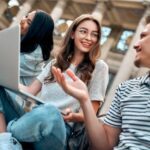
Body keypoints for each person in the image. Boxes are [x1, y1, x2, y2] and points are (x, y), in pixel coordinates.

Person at [0, 14, 109, 150]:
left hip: (60, 131)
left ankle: (6, 134)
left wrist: (72, 116)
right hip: (33, 120)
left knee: (51, 111)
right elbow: (29, 91)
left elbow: (90, 114)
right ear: (73, 34)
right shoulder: (54, 63)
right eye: (83, 31)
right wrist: (4, 77)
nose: (88, 38)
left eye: (94, 34)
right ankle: (7, 142)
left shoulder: (99, 67)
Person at [52, 14, 150, 150]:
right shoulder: (126, 88)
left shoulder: (100, 67)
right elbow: (104, 147)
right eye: (83, 31)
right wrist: (85, 99)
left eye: (143, 36)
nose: (135, 45)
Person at [20, 9, 54, 85]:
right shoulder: (22, 40)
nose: (22, 20)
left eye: (28, 22)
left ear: (37, 30)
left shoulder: (36, 53)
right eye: (26, 16)